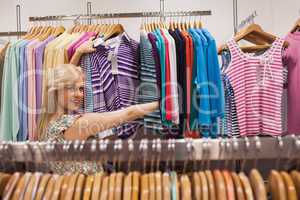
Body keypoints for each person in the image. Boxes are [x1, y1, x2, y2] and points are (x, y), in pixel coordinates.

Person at [38, 38, 159, 142]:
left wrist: (78, 53)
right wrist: (163, 103)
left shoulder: (48, 122)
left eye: (81, 89)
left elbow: (64, 78)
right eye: (71, 88)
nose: (79, 94)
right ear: (56, 90)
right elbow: (129, 113)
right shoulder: (77, 124)